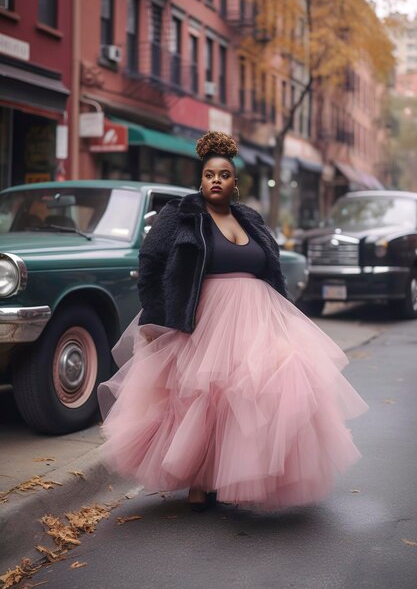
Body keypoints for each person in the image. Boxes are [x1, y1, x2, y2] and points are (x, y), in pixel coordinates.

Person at [98, 131, 368, 511]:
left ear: (235, 183)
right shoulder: (180, 217)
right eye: (209, 174)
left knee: (267, 386)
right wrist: (156, 317)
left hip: (258, 318)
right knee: (203, 397)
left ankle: (237, 475)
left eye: (224, 175)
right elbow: (151, 265)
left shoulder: (251, 220)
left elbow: (270, 271)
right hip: (204, 318)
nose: (216, 181)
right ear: (200, 179)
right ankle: (198, 479)